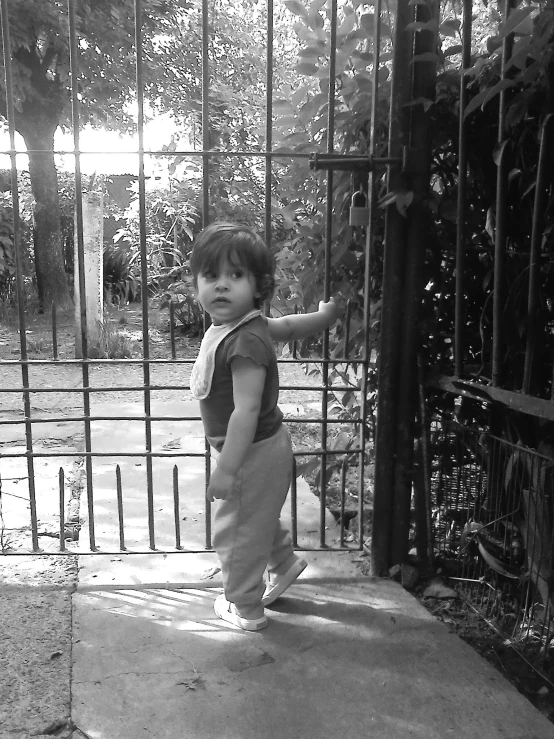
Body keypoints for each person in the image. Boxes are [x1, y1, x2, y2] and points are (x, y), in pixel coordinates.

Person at [189, 222, 338, 631]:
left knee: (234, 532)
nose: (222, 286)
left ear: (258, 286)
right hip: (264, 447)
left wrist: (227, 469)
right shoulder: (247, 324)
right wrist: (324, 317)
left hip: (250, 451)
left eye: (235, 276)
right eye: (211, 276)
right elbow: (289, 326)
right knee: (254, 517)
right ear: (197, 283)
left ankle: (246, 607)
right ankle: (284, 564)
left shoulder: (244, 344)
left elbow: (245, 411)